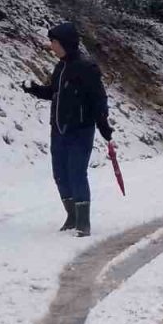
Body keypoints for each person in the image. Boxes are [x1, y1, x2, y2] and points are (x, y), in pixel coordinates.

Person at [22, 22, 113, 237]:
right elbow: (53, 93)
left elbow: (98, 100)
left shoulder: (86, 67)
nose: (51, 46)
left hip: (80, 130)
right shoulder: (60, 67)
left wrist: (104, 127)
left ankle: (83, 222)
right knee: (60, 174)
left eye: (54, 42)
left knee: (76, 172)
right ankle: (71, 216)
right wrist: (33, 89)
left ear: (65, 43)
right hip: (59, 129)